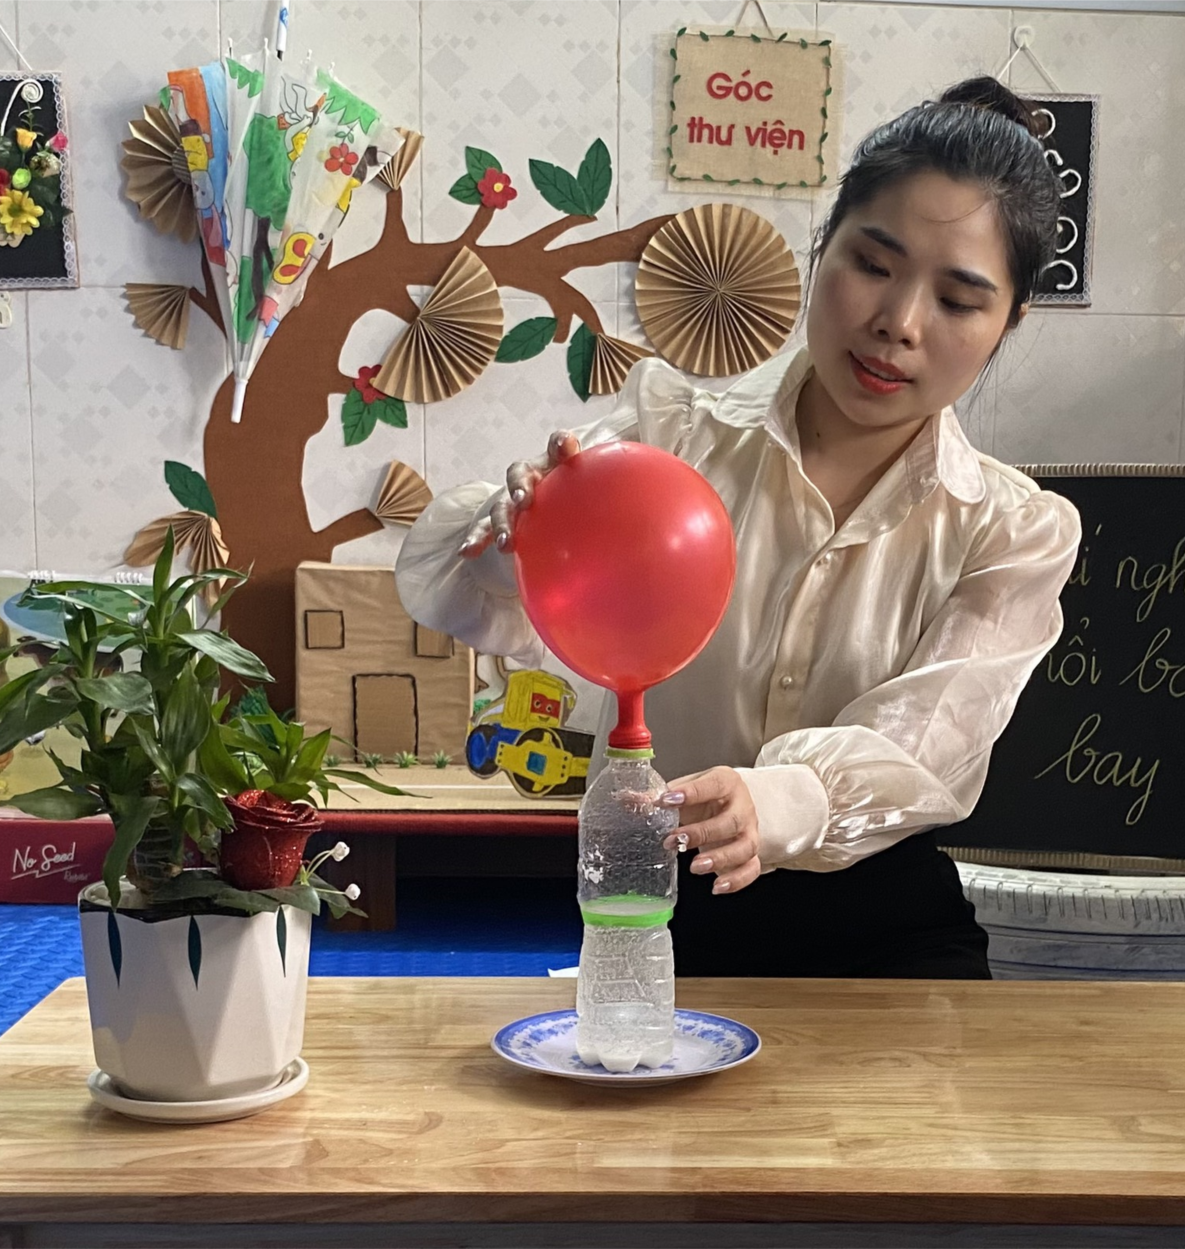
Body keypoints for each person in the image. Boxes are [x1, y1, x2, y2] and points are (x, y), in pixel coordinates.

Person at [398, 76, 1081, 979]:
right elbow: (490, 593)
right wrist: (517, 533)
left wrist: (782, 799)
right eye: (873, 265)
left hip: (890, 928)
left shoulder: (1013, 528)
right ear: (823, 246)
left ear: (1009, 322)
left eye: (958, 301)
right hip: (663, 908)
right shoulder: (672, 436)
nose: (898, 324)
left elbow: (928, 738)